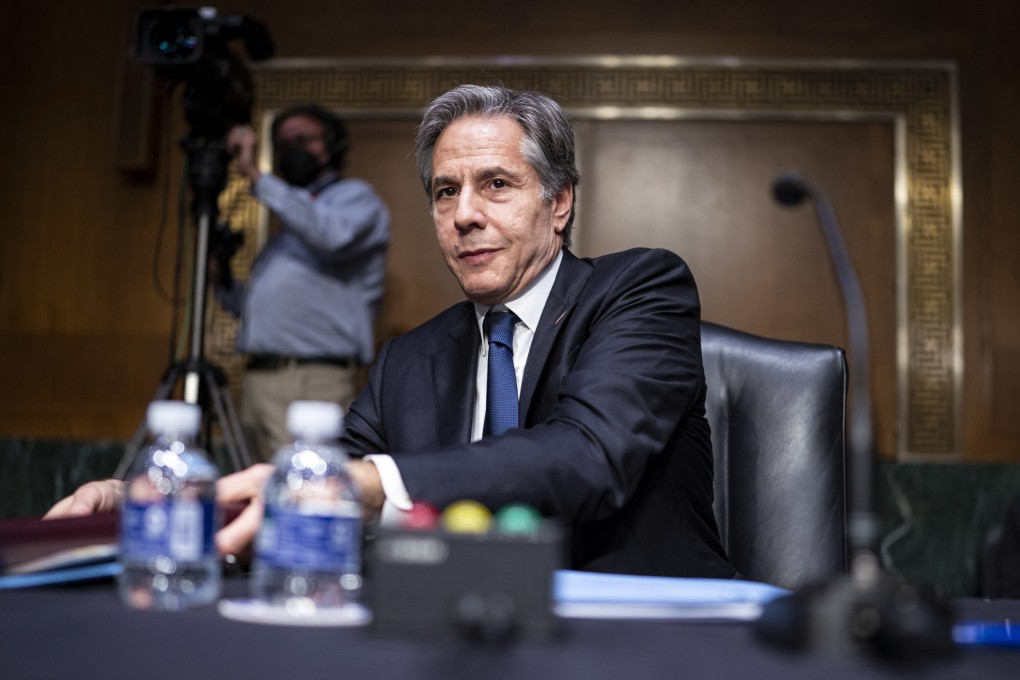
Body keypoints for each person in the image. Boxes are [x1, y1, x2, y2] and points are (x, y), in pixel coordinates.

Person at [47, 85, 734, 579]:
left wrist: (376, 481)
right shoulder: (411, 357)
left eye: (495, 185)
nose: (463, 215)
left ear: (558, 204)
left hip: (640, 635)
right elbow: (314, 486)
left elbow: (587, 458)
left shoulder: (640, 290)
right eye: (444, 191)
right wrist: (162, 505)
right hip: (443, 634)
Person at [216, 104, 390, 461]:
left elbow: (332, 234)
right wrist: (220, 275)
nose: (291, 150)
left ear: (333, 146)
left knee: (307, 497)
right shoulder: (292, 223)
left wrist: (254, 173)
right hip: (259, 377)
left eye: (302, 140)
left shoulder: (354, 199)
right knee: (260, 494)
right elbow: (250, 307)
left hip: (311, 379)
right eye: (283, 145)